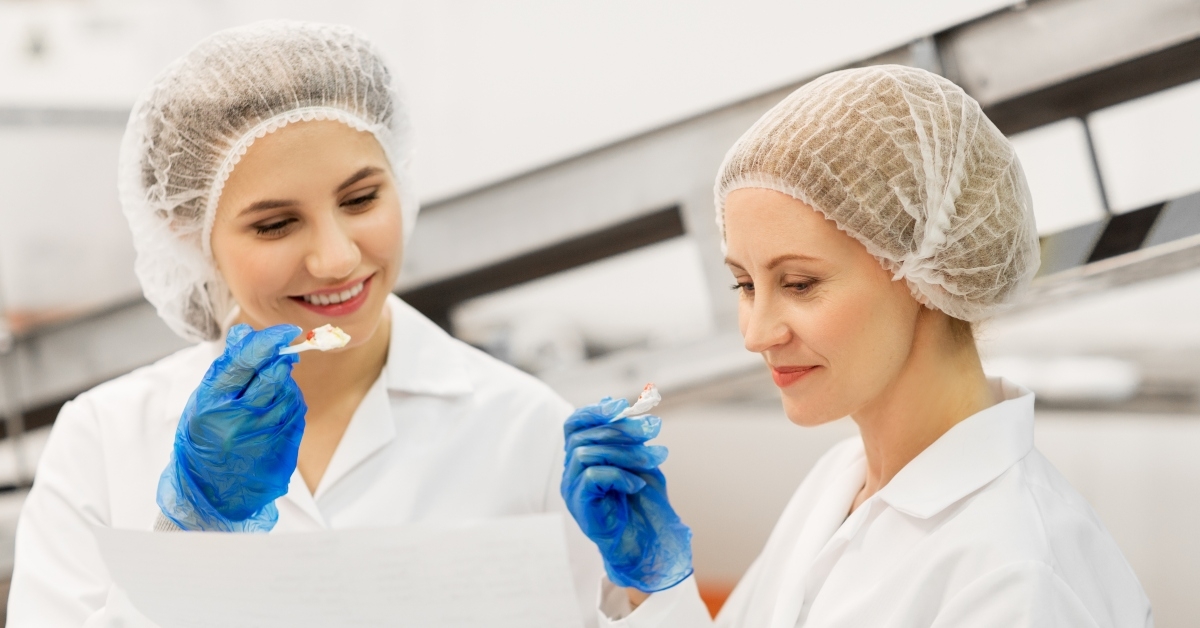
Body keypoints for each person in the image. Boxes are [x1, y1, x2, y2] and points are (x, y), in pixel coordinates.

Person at [8, 21, 602, 626]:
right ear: (189, 237)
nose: (338, 258)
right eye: (275, 225)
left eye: (361, 199)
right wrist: (189, 538)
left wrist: (654, 594)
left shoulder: (527, 427)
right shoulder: (104, 440)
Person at [561, 65, 1153, 627]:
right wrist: (654, 583)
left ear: (924, 267)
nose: (756, 333)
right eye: (745, 284)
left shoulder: (1019, 575)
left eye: (799, 284)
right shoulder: (841, 481)